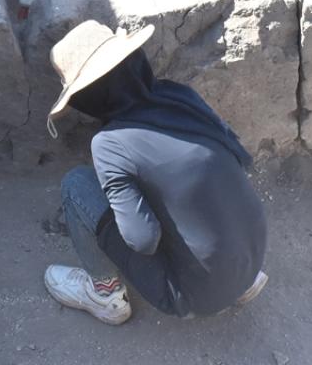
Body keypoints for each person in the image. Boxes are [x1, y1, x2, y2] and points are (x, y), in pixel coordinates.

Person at [42, 20, 268, 325]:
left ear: (89, 95)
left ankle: (104, 294)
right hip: (251, 259)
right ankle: (236, 281)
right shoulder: (181, 98)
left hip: (193, 296)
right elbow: (235, 164)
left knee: (77, 184)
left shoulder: (109, 144)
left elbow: (142, 240)